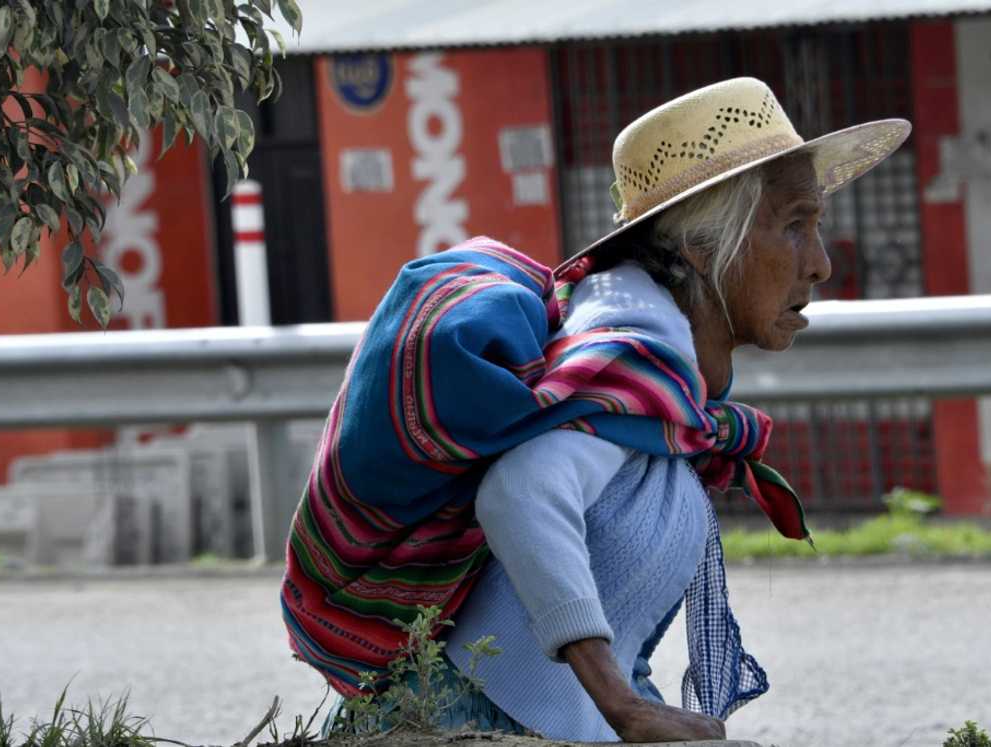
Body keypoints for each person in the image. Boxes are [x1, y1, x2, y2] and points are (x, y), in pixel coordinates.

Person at [282, 77, 910, 742]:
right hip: (460, 721)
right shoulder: (626, 353)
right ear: (702, 246)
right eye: (794, 227)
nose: (820, 262)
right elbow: (521, 494)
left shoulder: (659, 380)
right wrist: (625, 706)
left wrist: (634, 701)